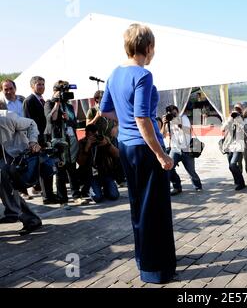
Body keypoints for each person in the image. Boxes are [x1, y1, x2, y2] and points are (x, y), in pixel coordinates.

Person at [100, 23, 176, 284]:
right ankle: (156, 269)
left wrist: (124, 121)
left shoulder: (114, 73)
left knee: (137, 205)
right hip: (145, 148)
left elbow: (105, 110)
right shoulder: (143, 75)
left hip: (125, 146)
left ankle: (143, 258)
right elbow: (142, 117)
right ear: (149, 47)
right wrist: (161, 154)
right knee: (154, 209)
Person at [0, 110, 42, 235]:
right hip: (3, 159)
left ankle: (20, 214)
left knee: (6, 182)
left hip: (15, 155)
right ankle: (21, 215)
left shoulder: (7, 117)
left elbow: (31, 124)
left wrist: (33, 141)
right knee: (7, 186)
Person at [44, 81, 81, 205]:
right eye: (62, 92)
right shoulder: (49, 103)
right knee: (60, 171)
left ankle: (76, 196)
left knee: (72, 169)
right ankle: (63, 199)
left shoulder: (69, 106)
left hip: (70, 141)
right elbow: (51, 119)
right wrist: (57, 104)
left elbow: (74, 123)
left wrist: (67, 119)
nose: (65, 94)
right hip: (57, 141)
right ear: (55, 91)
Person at [23, 76, 57, 204]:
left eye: (43, 84)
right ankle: (47, 197)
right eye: (39, 84)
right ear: (32, 86)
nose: (41, 86)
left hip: (46, 138)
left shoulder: (43, 100)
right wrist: (34, 141)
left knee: (48, 168)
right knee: (44, 168)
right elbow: (28, 123)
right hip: (37, 140)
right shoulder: (29, 100)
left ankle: (49, 195)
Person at [1, 80, 31, 200]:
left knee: (28, 162)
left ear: (15, 88)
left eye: (10, 88)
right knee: (14, 165)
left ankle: (31, 184)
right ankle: (22, 191)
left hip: (26, 135)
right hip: (11, 139)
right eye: (5, 89)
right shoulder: (2, 104)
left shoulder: (22, 100)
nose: (8, 91)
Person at [162, 105, 203, 196]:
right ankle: (177, 187)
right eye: (170, 113)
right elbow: (163, 135)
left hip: (187, 149)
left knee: (191, 171)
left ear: (177, 111)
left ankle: (197, 186)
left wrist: (175, 121)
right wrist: (164, 123)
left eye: (174, 112)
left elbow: (187, 130)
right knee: (169, 168)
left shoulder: (184, 118)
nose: (172, 114)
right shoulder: (168, 121)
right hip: (175, 149)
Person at [77, 124, 120, 203]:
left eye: (95, 135)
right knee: (97, 198)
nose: (93, 137)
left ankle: (107, 189)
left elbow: (117, 155)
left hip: (105, 173)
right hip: (91, 176)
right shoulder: (82, 142)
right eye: (90, 135)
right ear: (86, 134)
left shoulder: (103, 139)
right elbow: (80, 162)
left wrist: (108, 145)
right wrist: (86, 148)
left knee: (114, 195)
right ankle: (87, 189)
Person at [221, 103, 246, 191]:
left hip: (238, 145)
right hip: (229, 145)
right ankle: (237, 181)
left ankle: (241, 183)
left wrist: (238, 119)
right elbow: (223, 129)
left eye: (238, 109)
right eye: (235, 109)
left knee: (233, 164)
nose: (236, 110)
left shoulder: (242, 119)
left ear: (241, 110)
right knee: (230, 166)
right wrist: (231, 118)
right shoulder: (229, 118)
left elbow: (245, 129)